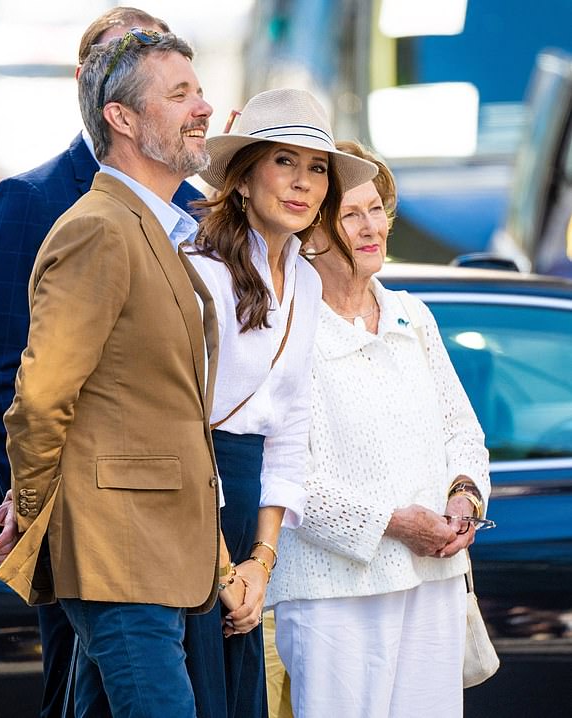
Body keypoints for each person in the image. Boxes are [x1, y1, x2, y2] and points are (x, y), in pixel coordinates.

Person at [0, 8, 203, 717]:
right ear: (101, 93)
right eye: (171, 87)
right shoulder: (34, 203)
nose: (194, 104)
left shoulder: (194, 206)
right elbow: (5, 382)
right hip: (93, 526)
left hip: (180, 524)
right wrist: (45, 519)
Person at [267, 140, 491, 718]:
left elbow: (462, 433)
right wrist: (396, 524)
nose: (372, 227)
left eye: (376, 209)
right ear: (310, 233)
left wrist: (463, 497)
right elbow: (288, 476)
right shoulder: (285, 330)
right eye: (350, 214)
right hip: (335, 598)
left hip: (435, 581)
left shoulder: (413, 315)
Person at [182, 91, 377, 718]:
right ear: (243, 177)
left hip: (250, 505)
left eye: (317, 168)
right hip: (182, 499)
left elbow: (290, 427)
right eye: (284, 162)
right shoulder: (196, 266)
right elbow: (178, 419)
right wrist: (219, 560)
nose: (303, 183)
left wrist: (260, 563)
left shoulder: (307, 278)